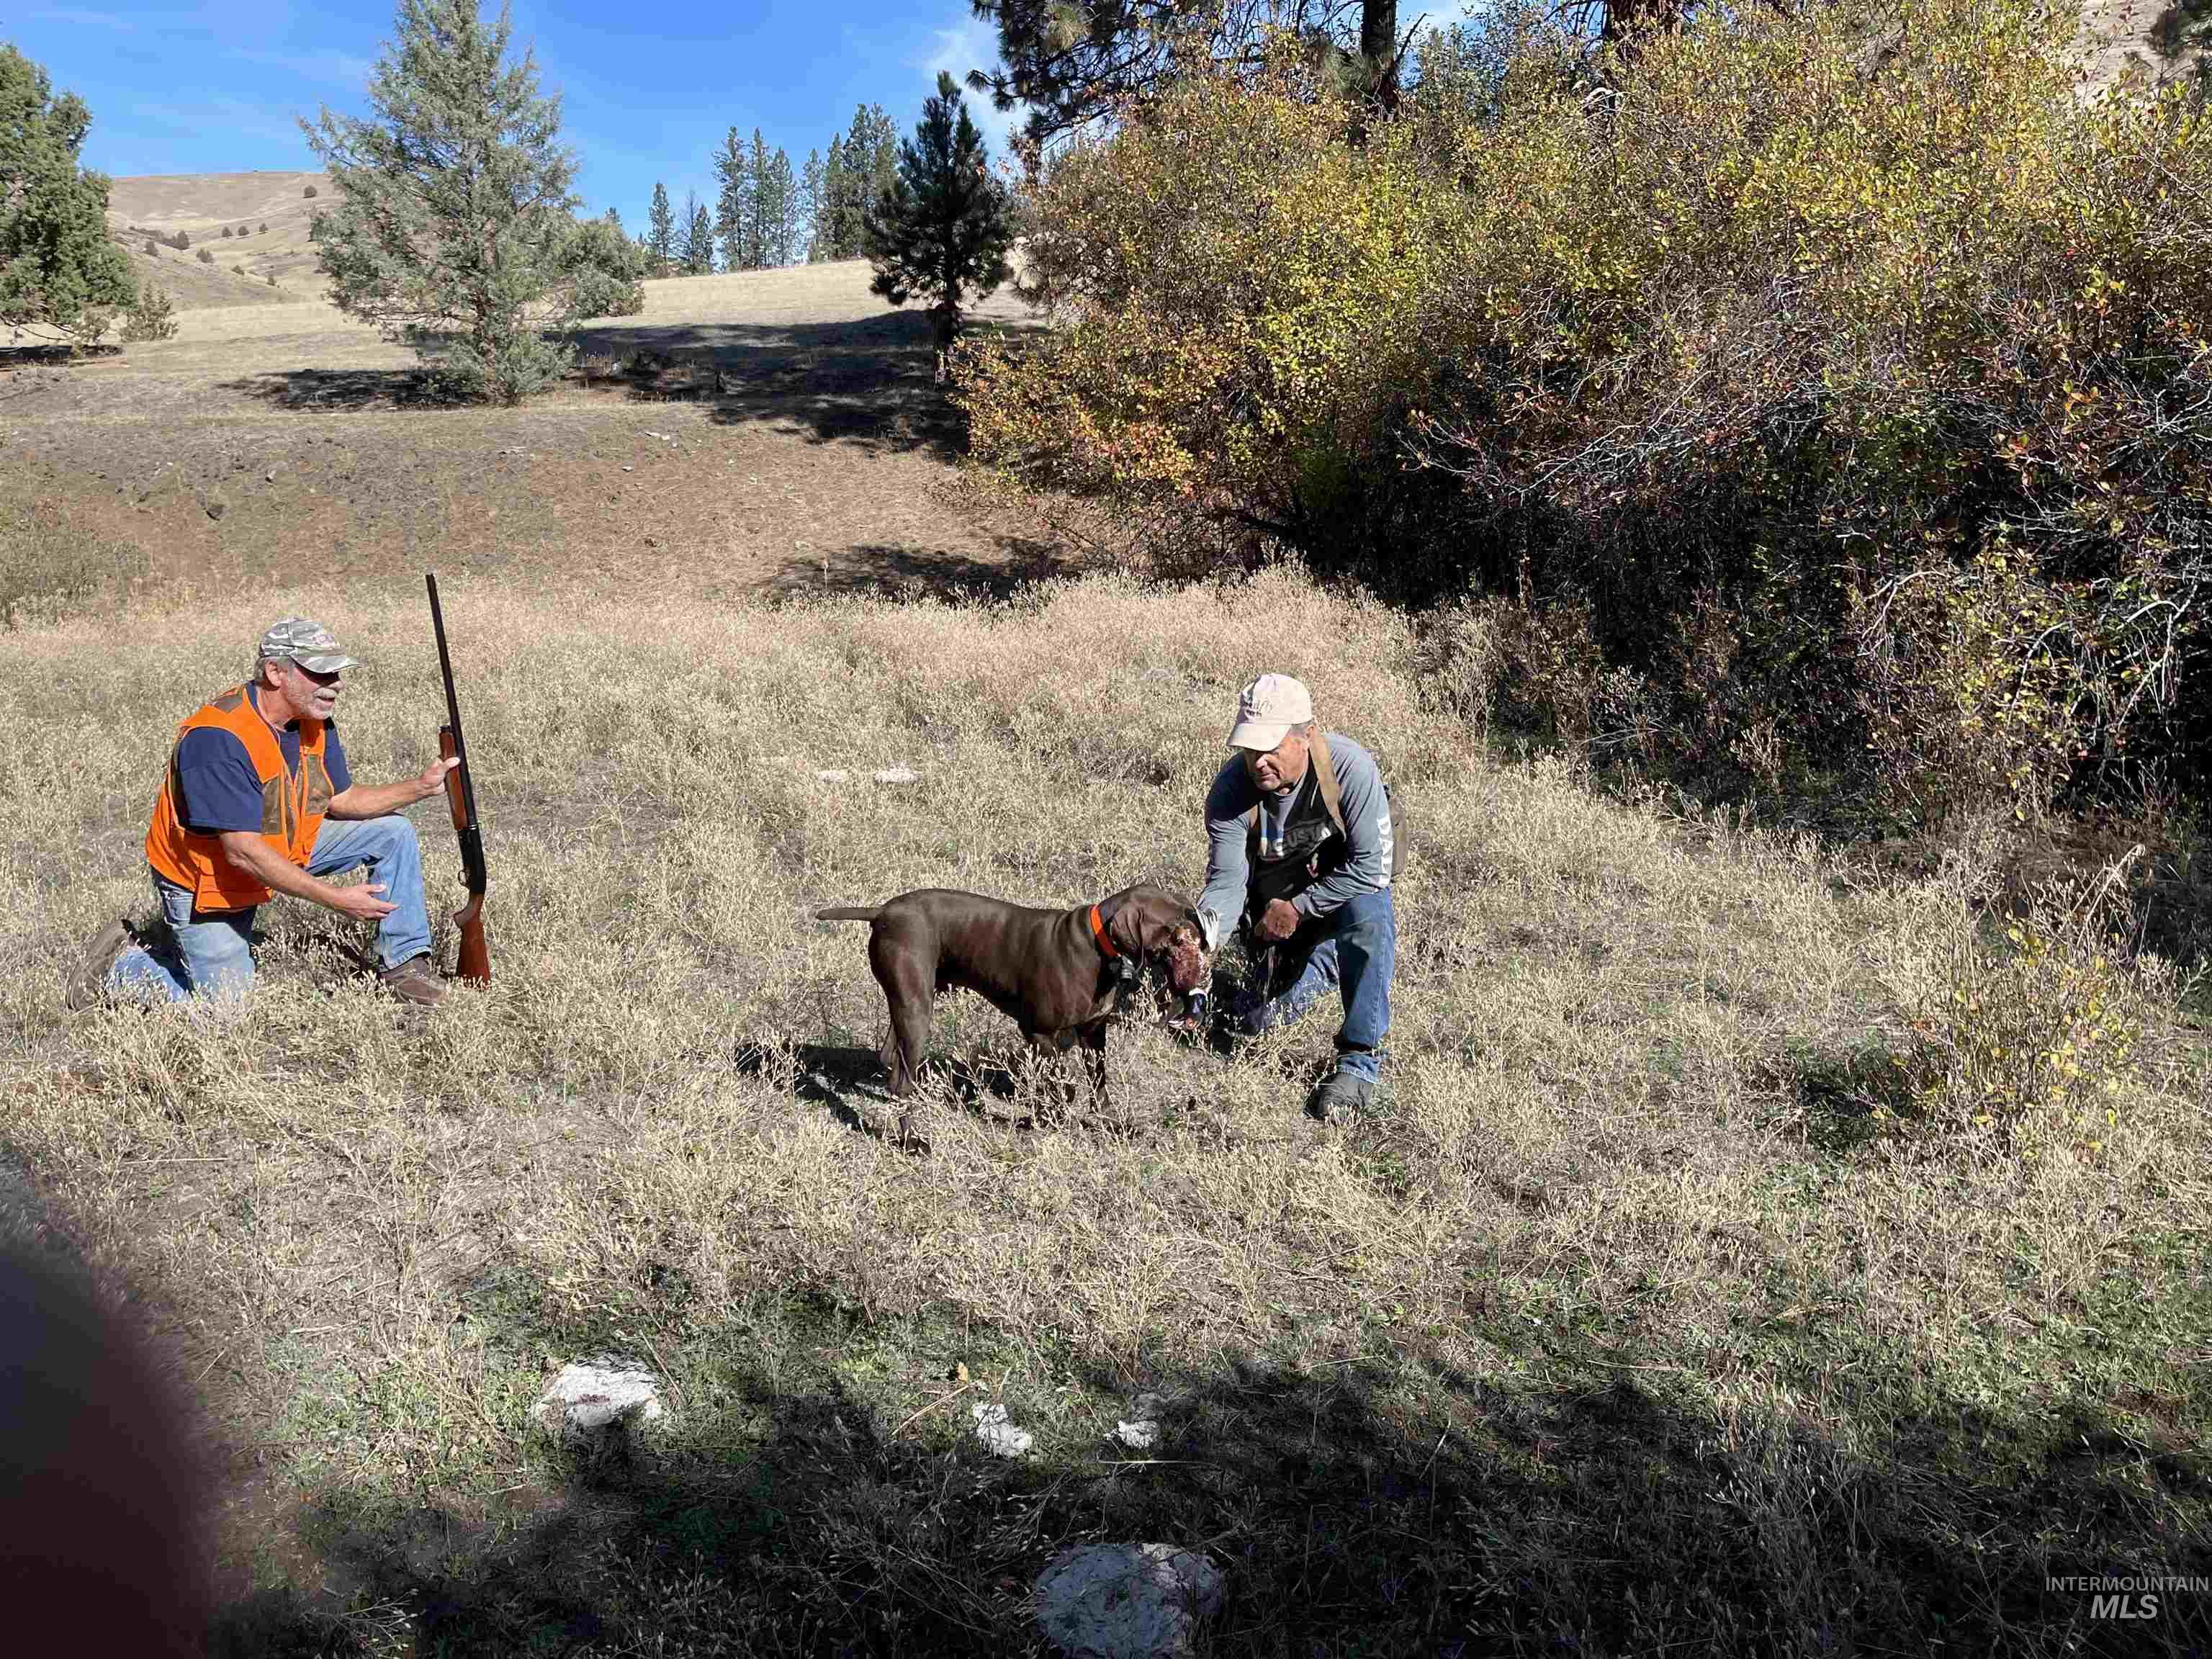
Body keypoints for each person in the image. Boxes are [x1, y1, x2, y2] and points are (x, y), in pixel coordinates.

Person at [67, 619, 459, 1010]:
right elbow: (242, 853)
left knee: (391, 832)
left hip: (280, 845)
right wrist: (336, 899)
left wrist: (420, 788)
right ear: (275, 671)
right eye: (321, 672)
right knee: (226, 1013)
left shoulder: (313, 721)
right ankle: (121, 968)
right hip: (209, 881)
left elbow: (341, 800)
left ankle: (405, 965)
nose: (336, 683)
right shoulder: (218, 739)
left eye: (337, 672)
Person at [1184, 673, 1401, 1122]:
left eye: (1271, 746)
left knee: (1371, 913)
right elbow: (1226, 884)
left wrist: (1301, 907)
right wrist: (1201, 945)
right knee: (1255, 1024)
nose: (1259, 761)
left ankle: (1358, 1063)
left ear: (1307, 736)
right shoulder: (1229, 794)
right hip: (1270, 913)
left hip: (1337, 897)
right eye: (1249, 749)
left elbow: (1372, 868)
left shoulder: (1349, 769)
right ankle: (1322, 963)